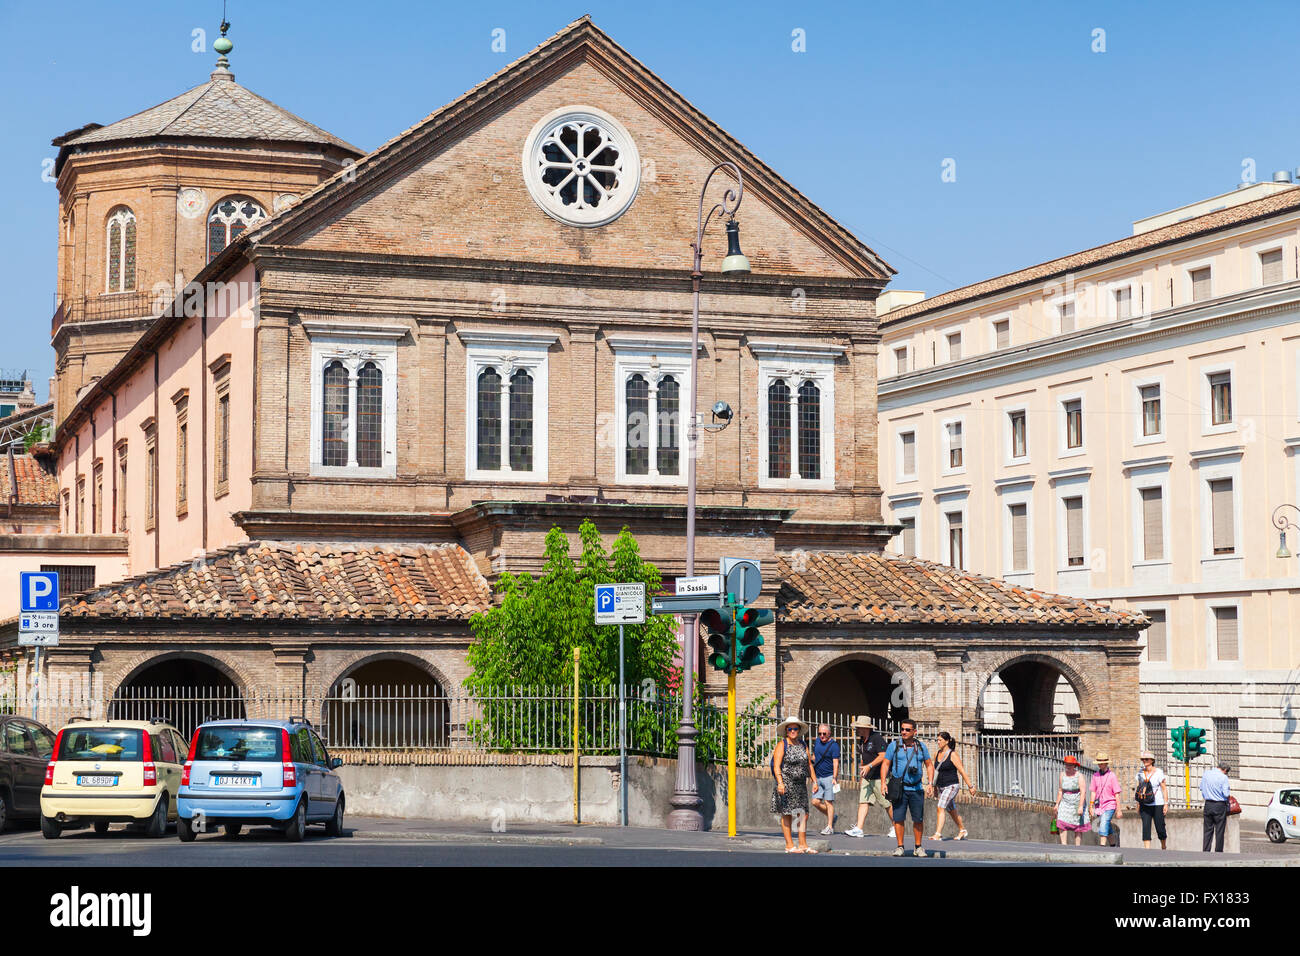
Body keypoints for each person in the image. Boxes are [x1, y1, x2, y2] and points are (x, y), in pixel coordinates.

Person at [879, 719, 934, 857]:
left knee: (918, 819)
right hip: (899, 789)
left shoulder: (921, 747)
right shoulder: (894, 745)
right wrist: (883, 783)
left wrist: (930, 783)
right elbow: (885, 764)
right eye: (902, 729)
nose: (904, 732)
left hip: (916, 788)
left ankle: (918, 847)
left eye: (907, 729)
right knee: (898, 818)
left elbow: (929, 765)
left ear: (914, 731)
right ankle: (900, 847)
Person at [770, 716, 818, 853]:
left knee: (803, 814)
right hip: (786, 784)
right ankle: (789, 845)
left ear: (799, 730)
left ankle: (803, 844)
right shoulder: (782, 745)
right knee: (787, 814)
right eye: (790, 729)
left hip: (800, 784)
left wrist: (814, 781)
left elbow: (809, 764)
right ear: (786, 730)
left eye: (795, 729)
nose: (792, 731)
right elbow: (777, 766)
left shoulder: (803, 745)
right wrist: (780, 783)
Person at [844, 715, 888, 838]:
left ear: (866, 728)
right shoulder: (862, 740)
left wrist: (869, 766)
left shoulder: (877, 738)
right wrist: (863, 769)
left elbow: (883, 755)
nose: (857, 729)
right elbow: (864, 756)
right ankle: (859, 828)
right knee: (863, 801)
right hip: (867, 777)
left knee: (886, 803)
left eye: (859, 727)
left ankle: (896, 826)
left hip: (879, 777)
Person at [930, 731, 975, 840]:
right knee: (951, 810)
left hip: (952, 785)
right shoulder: (936, 754)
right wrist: (934, 787)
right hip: (941, 786)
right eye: (937, 740)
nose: (938, 742)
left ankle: (938, 834)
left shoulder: (952, 754)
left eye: (940, 740)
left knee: (940, 807)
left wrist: (970, 786)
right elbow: (935, 771)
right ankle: (962, 830)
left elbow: (962, 771)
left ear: (946, 741)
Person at [809, 724, 841, 836]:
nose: (822, 736)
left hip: (828, 777)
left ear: (829, 733)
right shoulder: (817, 742)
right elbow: (815, 756)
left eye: (824, 734)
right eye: (819, 733)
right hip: (817, 777)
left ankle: (830, 827)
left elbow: (835, 762)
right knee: (815, 802)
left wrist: (834, 778)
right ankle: (833, 817)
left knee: (828, 802)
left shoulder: (834, 746)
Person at [1054, 755, 1091, 845]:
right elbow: (1060, 790)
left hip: (1077, 802)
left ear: (1074, 765)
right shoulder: (1062, 775)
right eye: (1067, 764)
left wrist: (1080, 806)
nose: (1068, 766)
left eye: (1070, 764)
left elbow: (1083, 792)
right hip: (1065, 802)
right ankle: (1064, 845)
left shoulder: (1079, 776)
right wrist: (1057, 804)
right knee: (1061, 822)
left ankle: (1077, 846)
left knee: (1078, 825)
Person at [1135, 750, 1169, 849]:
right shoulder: (1140, 773)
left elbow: (1164, 788)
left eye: (1146, 759)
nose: (1144, 761)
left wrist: (1166, 803)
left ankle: (1163, 846)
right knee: (1146, 827)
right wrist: (1138, 803)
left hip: (1157, 803)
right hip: (1144, 804)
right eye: (1143, 759)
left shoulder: (1158, 772)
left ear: (1152, 760)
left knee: (1160, 827)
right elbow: (1138, 788)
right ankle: (1147, 851)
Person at [1088, 752, 1122, 847]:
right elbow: (1093, 791)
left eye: (1102, 762)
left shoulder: (1112, 776)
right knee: (1107, 826)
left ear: (1106, 763)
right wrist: (1091, 806)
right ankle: (1113, 844)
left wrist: (1118, 809)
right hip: (1099, 805)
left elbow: (1117, 793)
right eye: (1099, 762)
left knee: (1103, 823)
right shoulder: (1095, 776)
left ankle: (1102, 846)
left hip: (1110, 804)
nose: (1100, 764)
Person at [1199, 760, 1232, 852]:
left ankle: (1206, 851)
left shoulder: (1206, 774)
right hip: (1219, 805)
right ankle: (1218, 852)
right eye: (1227, 772)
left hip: (1208, 804)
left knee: (1207, 831)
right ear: (1224, 770)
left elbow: (1201, 788)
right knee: (1219, 831)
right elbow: (1226, 794)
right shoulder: (1223, 777)